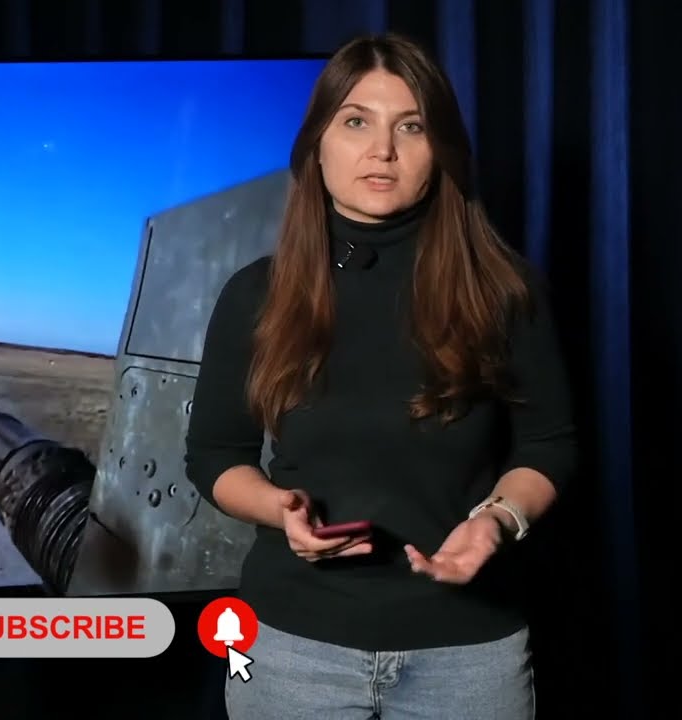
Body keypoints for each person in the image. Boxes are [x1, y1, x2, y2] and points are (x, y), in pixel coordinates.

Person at [184, 33, 577, 720]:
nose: (383, 150)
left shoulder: (503, 292)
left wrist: (498, 521)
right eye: (356, 121)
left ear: (440, 149)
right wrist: (279, 509)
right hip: (289, 651)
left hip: (469, 655)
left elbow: (549, 444)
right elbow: (215, 455)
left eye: (411, 126)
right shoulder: (256, 295)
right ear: (317, 145)